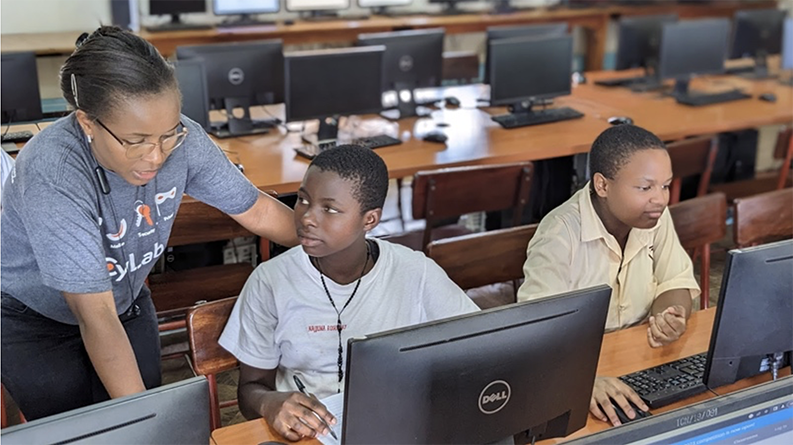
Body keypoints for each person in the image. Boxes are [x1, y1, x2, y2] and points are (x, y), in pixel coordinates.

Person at [0, 27, 298, 420]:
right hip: (35, 318)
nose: (156, 156)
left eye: (167, 134)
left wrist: (337, 244)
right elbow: (96, 317)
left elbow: (256, 209)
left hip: (125, 297)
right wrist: (145, 422)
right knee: (82, 427)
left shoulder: (184, 141)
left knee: (140, 401)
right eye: (136, 140)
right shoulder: (53, 170)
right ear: (88, 122)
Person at [219, 145, 479, 441]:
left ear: (370, 220)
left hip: (395, 425)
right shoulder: (270, 281)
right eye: (303, 200)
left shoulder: (415, 272)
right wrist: (269, 403)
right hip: (307, 434)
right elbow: (249, 389)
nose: (307, 218)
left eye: (329, 209)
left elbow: (480, 345)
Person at [516, 125, 700, 426]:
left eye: (665, 186)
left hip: (639, 356)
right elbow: (537, 334)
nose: (660, 199)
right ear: (602, 185)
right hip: (578, 370)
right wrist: (580, 381)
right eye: (645, 187)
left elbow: (676, 280)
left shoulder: (653, 215)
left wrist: (669, 316)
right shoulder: (559, 236)